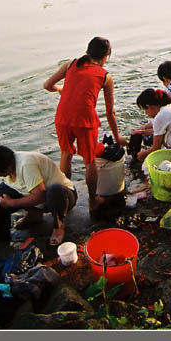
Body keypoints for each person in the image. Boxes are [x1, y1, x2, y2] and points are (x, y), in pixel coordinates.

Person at [43, 36, 127, 213]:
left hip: (63, 118)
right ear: (105, 56)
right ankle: (92, 201)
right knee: (89, 161)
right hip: (85, 121)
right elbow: (110, 112)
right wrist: (117, 136)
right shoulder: (105, 76)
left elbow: (47, 85)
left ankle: (66, 199)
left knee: (66, 155)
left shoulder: (70, 64)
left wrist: (61, 90)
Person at [0, 144, 77, 246]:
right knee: (2, 191)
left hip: (63, 198)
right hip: (41, 201)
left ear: (4, 166)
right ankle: (34, 215)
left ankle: (58, 227)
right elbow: (0, 195)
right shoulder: (7, 170)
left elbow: (40, 195)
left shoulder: (25, 164)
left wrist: (11, 203)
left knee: (55, 190)